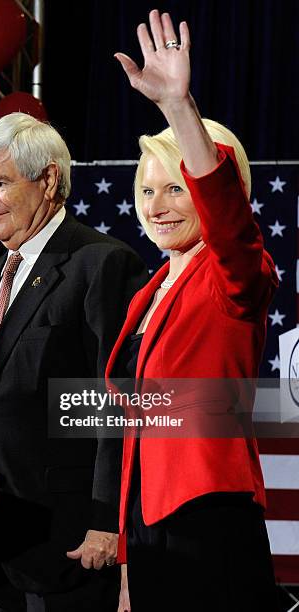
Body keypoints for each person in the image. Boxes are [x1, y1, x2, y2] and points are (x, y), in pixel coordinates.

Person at [106, 10, 280, 612]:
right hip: (152, 527)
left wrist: (179, 107)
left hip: (208, 517)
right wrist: (130, 562)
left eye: (176, 188)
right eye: (148, 189)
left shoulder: (236, 272)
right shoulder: (145, 292)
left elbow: (230, 219)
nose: (158, 206)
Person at [0, 112, 148, 612]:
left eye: (0, 183)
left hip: (68, 543)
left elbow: (117, 408)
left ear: (49, 179)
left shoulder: (100, 264)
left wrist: (107, 521)